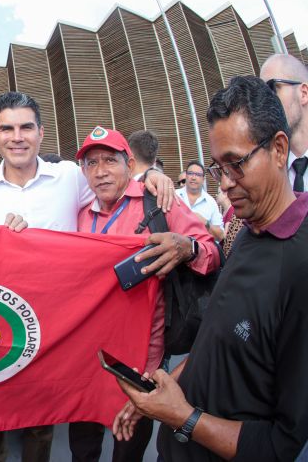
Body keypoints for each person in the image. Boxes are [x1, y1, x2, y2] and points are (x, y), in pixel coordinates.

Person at [0, 92, 175, 462]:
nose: (17, 137)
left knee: (41, 422)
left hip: (56, 330)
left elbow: (115, 180)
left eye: (26, 127)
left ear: (41, 133)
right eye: (7, 128)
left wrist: (153, 175)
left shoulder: (69, 177)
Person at [114, 76, 308, 461]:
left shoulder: (301, 266)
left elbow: (280, 444)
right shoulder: (247, 229)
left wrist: (182, 417)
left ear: (279, 149)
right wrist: (165, 389)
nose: (226, 186)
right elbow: (215, 339)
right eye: (218, 168)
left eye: (236, 164)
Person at [73, 126, 219, 462]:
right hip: (90, 358)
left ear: (129, 163)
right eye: (91, 164)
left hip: (142, 361)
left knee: (128, 448)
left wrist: (188, 248)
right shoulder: (81, 215)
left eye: (109, 161)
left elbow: (211, 252)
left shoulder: (160, 204)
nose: (100, 171)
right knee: (82, 447)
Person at [260, 53, 308, 191]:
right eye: (262, 94)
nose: (266, 102)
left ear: (303, 93)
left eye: (272, 88)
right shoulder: (267, 176)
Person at [175, 161, 224, 242]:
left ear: (203, 179)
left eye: (198, 174)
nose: (193, 177)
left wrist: (205, 223)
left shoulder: (211, 202)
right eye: (190, 173)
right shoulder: (174, 195)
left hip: (202, 251)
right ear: (186, 176)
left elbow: (220, 236)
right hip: (174, 248)